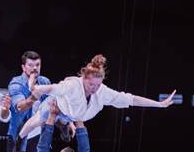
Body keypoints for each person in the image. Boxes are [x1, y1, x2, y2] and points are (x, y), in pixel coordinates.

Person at [17, 54, 175, 142]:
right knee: (36, 122)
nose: (94, 88)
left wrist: (159, 104)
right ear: (84, 78)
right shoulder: (72, 85)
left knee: (68, 129)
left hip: (72, 115)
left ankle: (64, 124)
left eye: (98, 84)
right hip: (57, 105)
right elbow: (51, 89)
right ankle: (19, 139)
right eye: (91, 84)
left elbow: (131, 99)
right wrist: (35, 88)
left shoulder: (102, 92)